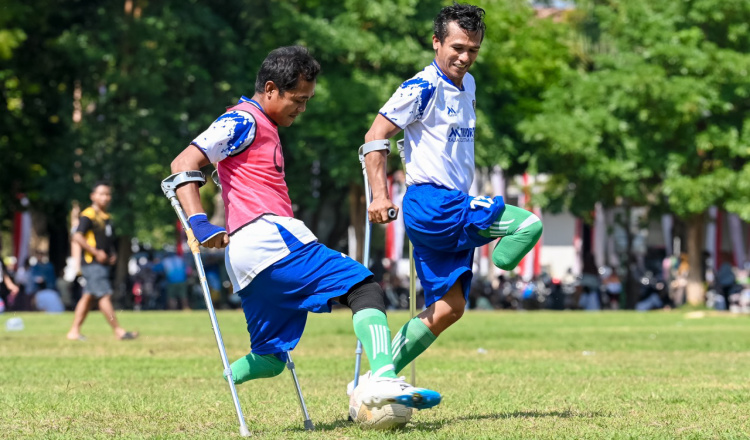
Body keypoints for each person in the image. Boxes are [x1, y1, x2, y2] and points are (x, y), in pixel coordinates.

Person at [169, 46, 440, 414]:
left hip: (244, 260)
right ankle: (384, 378)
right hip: (271, 237)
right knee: (364, 288)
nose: (302, 108)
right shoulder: (242, 120)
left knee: (270, 357)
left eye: (307, 100)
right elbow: (184, 162)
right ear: (269, 89)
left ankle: (225, 379)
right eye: (297, 99)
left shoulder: (258, 124)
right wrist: (200, 223)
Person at [360, 3, 543, 377]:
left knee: (450, 308)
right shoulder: (421, 86)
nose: (464, 57)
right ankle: (505, 266)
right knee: (526, 226)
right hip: (432, 204)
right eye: (457, 47)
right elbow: (375, 136)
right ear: (436, 42)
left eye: (473, 49)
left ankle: (378, 379)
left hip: (452, 204)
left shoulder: (469, 85)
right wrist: (379, 195)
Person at [66, 182, 138, 341]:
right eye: (101, 194)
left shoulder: (106, 217)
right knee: (104, 296)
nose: (105, 197)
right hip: (92, 264)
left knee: (88, 297)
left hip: (102, 265)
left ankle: (74, 331)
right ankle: (118, 331)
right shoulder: (88, 215)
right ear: (93, 196)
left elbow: (106, 241)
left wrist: (111, 254)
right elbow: (77, 236)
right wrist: (95, 252)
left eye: (107, 194)